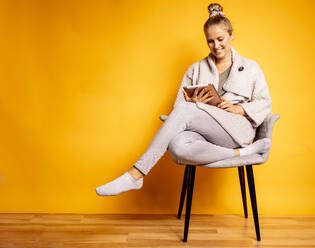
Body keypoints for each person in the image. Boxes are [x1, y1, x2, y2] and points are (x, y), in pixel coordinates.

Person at [95, 3, 272, 196]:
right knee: (177, 146)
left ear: (231, 35)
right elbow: (179, 107)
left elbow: (265, 103)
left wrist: (241, 109)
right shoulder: (195, 69)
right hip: (206, 132)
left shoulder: (251, 67)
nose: (216, 46)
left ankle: (136, 173)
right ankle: (243, 153)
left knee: (186, 111)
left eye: (220, 39)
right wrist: (196, 104)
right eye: (210, 41)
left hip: (237, 130)